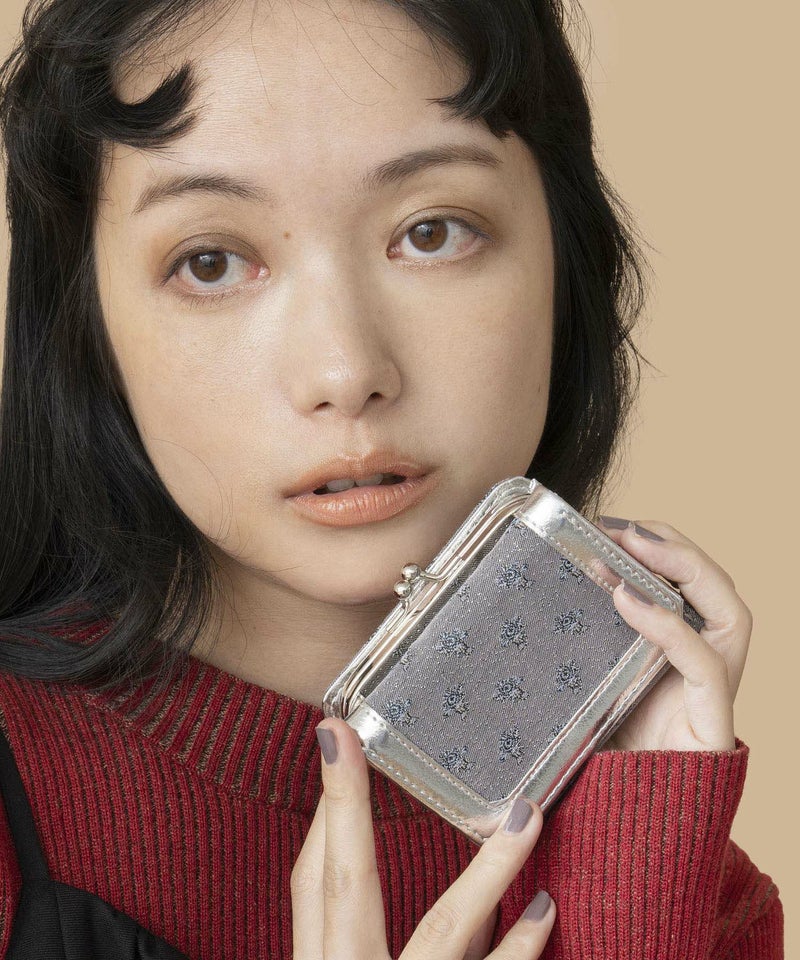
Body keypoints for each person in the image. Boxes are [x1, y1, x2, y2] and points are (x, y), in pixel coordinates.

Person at [0, 0, 784, 957]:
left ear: (566, 264)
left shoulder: (688, 885)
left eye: (433, 232)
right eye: (210, 261)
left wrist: (637, 867)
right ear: (84, 326)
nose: (345, 370)